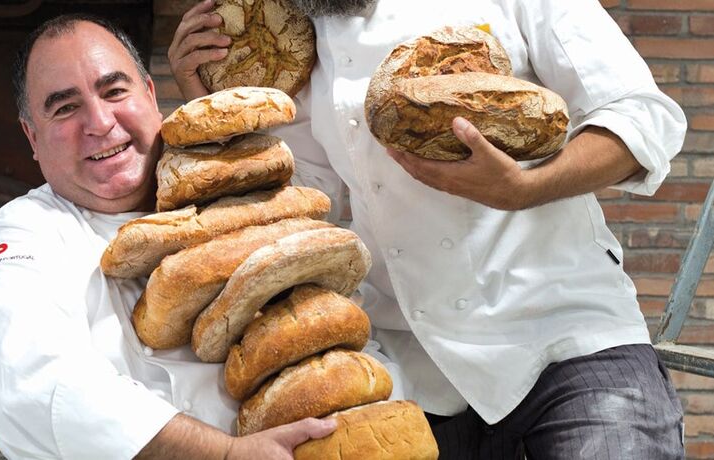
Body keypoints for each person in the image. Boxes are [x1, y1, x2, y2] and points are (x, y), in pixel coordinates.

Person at [170, 0, 688, 458]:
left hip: (565, 336)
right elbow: (302, 198)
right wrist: (212, 103)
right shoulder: (304, 36)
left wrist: (525, 188)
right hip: (415, 370)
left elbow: (641, 116)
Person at [0, 14, 340, 460]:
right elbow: (26, 379)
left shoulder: (244, 192)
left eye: (115, 92)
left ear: (151, 96)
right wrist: (224, 455)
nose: (100, 122)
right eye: (65, 108)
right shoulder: (26, 232)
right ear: (32, 138)